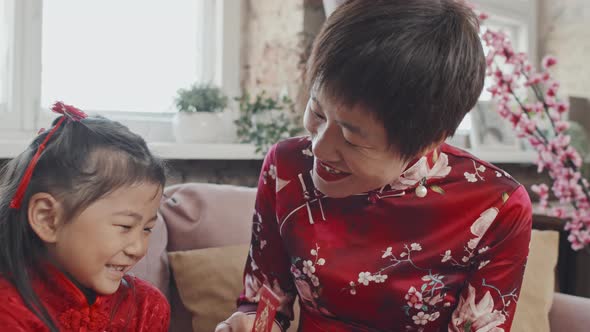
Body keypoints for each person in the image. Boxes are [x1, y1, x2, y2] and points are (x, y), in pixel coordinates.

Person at [217, 0, 532, 331]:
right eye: (318, 112)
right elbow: (267, 300)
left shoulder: (497, 207)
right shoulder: (286, 166)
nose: (319, 148)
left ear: (428, 140)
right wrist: (251, 323)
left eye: (353, 139)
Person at [0, 102, 170, 331]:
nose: (138, 249)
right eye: (125, 226)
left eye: (147, 229)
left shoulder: (147, 307)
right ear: (47, 218)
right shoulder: (8, 311)